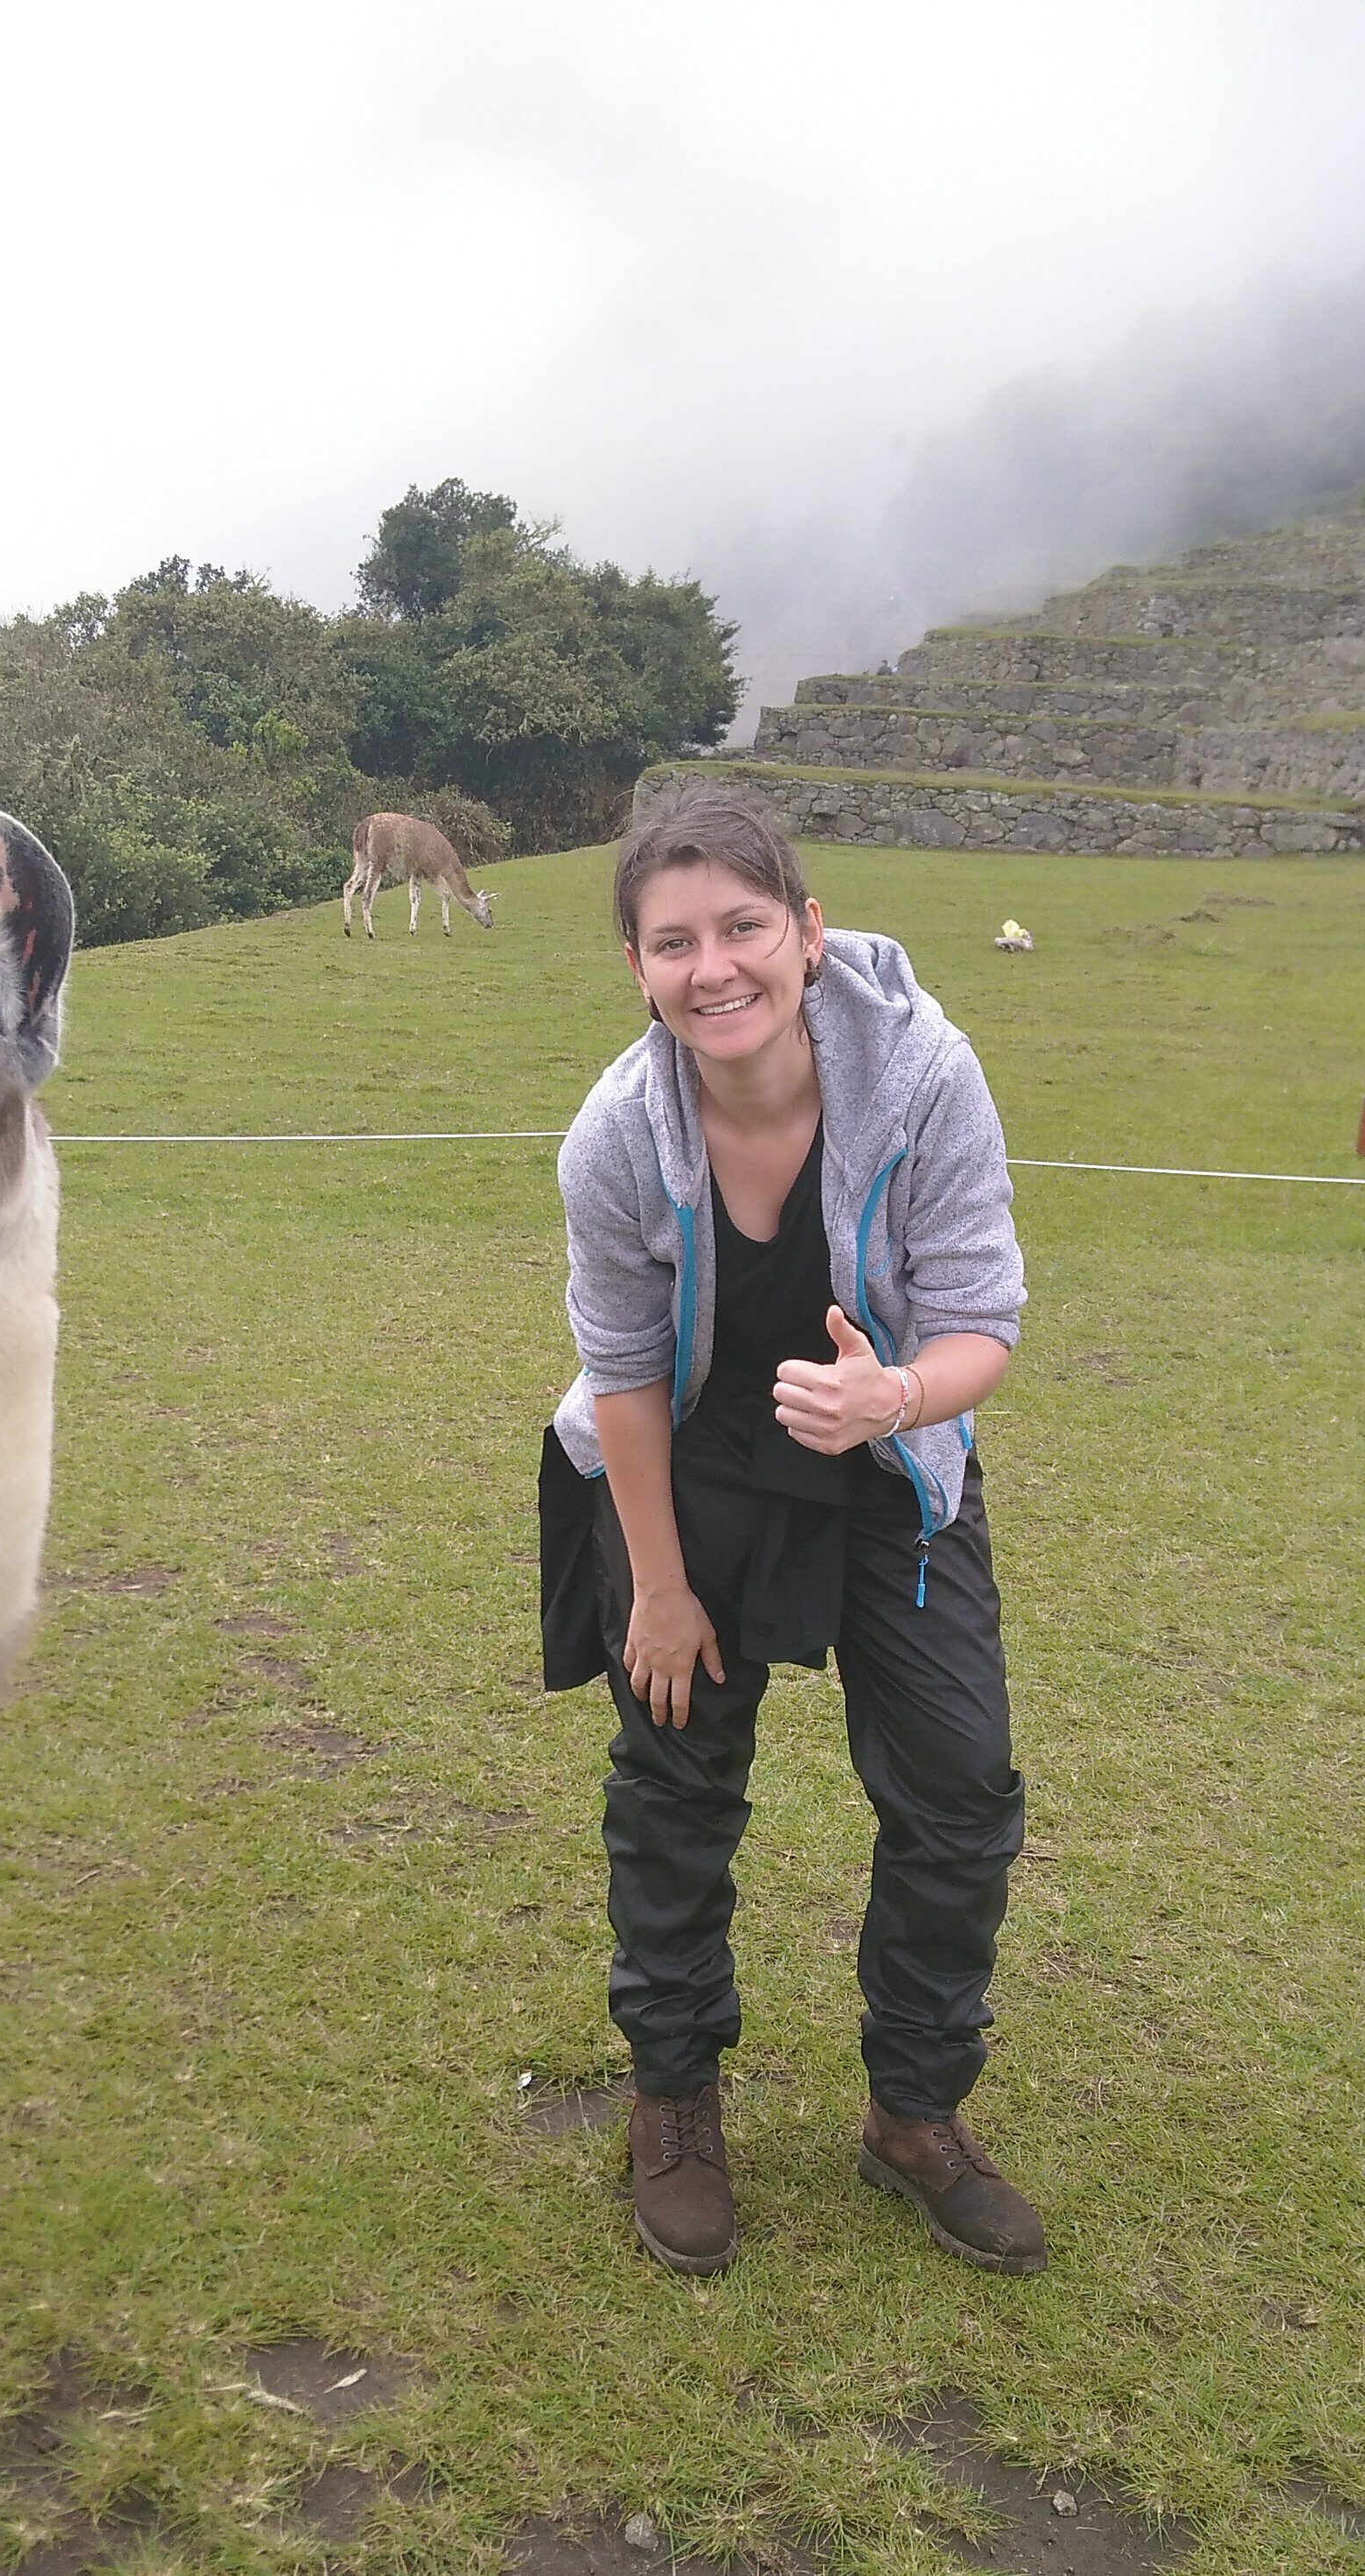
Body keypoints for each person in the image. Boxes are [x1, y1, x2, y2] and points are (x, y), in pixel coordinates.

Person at [537, 782, 1044, 2280]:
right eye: (673, 939)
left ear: (806, 933)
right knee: (674, 1778)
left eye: (744, 926)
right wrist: (659, 1585)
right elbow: (622, 1373)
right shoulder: (616, 1137)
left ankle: (913, 2112)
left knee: (958, 1791)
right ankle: (673, 2096)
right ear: (636, 966)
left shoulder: (927, 1074)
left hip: (889, 1464)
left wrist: (893, 1395)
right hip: (686, 1472)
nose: (715, 967)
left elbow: (979, 1322)